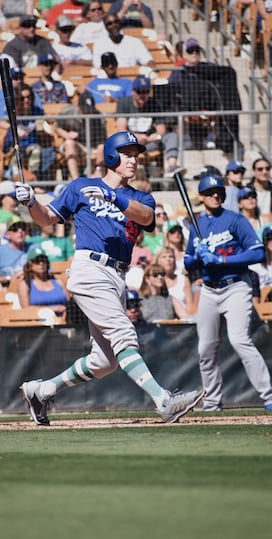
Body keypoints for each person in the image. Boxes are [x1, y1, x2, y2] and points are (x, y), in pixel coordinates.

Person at [15, 130, 204, 426]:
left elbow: (146, 218)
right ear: (112, 156)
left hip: (118, 275)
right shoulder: (81, 186)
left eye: (136, 154)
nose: (134, 159)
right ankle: (163, 400)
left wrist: (113, 196)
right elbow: (45, 218)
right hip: (89, 268)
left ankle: (41, 390)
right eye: (127, 153)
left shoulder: (140, 196)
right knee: (123, 334)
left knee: (104, 362)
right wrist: (30, 203)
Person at [184, 173, 272, 411]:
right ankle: (212, 402)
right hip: (209, 290)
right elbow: (187, 263)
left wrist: (221, 260)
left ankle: (269, 395)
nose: (216, 195)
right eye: (210, 193)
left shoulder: (235, 219)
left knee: (239, 340)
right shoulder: (196, 225)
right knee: (206, 348)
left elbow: (257, 253)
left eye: (219, 193)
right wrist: (196, 256)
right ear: (201, 197)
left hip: (235, 286)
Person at [116, 75, 181, 176]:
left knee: (171, 136)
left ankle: (172, 166)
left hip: (149, 143)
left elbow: (161, 130)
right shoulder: (124, 103)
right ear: (133, 91)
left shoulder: (154, 103)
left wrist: (155, 136)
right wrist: (136, 137)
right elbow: (121, 130)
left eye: (146, 92)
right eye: (139, 92)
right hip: (130, 144)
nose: (143, 95)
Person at [55, 90, 106, 179]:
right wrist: (67, 135)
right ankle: (76, 180)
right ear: (78, 107)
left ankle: (98, 178)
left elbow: (102, 139)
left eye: (90, 110)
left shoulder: (98, 116)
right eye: (85, 110)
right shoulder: (68, 112)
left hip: (93, 146)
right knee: (69, 143)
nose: (88, 113)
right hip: (77, 146)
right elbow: (57, 127)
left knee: (103, 147)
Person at [17, 245, 70, 312]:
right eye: (37, 261)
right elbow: (26, 309)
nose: (41, 263)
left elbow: (69, 303)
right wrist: (52, 309)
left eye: (43, 260)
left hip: (64, 319)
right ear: (30, 264)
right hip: (38, 320)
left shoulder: (59, 282)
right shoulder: (25, 284)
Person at [0, 214, 31, 286]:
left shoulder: (34, 248)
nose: (20, 231)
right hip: (6, 290)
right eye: (15, 229)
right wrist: (9, 278)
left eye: (23, 228)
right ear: (8, 234)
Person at [155, 246, 192, 311]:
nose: (168, 259)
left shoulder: (183, 279)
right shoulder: (154, 280)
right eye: (164, 257)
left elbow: (190, 304)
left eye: (171, 257)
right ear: (157, 260)